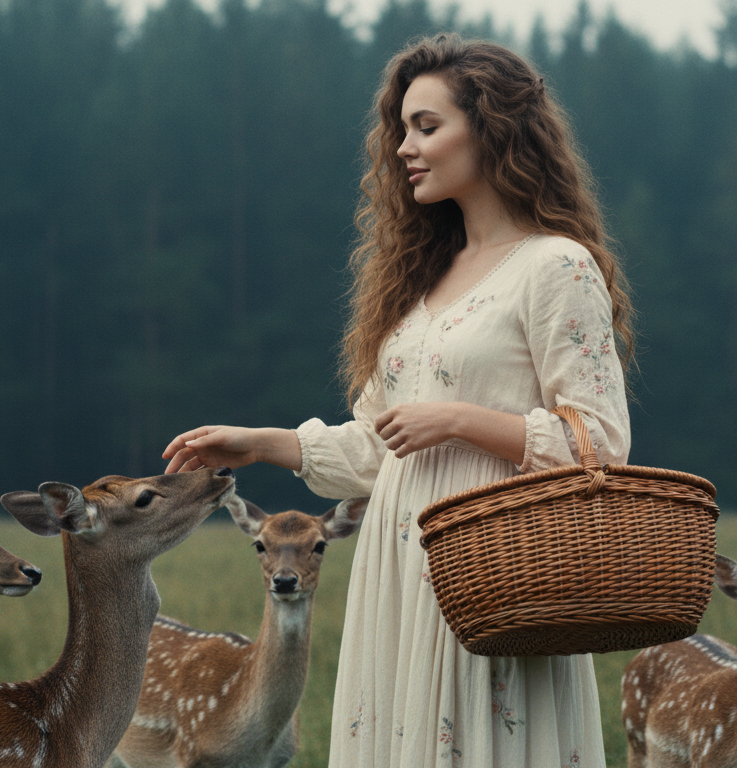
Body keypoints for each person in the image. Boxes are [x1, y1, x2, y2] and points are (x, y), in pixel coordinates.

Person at [162, 34, 633, 768]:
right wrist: (258, 442)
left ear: (494, 128)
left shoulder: (557, 267)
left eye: (427, 126)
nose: (404, 148)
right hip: (397, 579)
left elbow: (599, 444)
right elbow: (377, 448)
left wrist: (459, 421)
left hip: (494, 572)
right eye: (401, 129)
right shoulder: (420, 284)